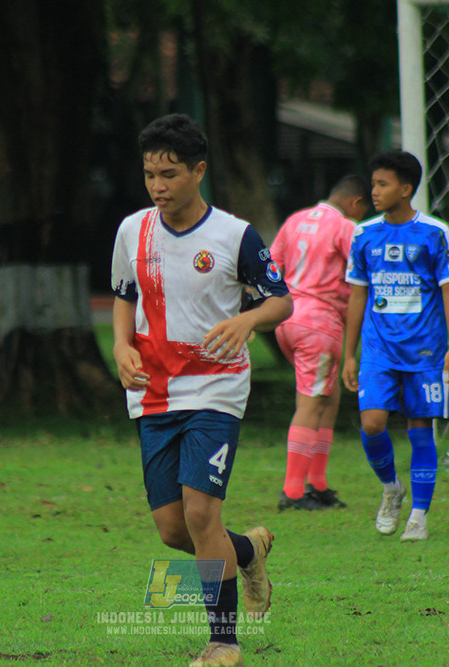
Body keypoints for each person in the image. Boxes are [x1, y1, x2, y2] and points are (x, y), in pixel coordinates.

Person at [111, 113, 293, 667]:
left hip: (216, 389)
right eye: (149, 175)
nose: (158, 186)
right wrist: (121, 347)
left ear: (198, 171)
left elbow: (280, 299)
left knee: (199, 517)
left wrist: (248, 321)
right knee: (172, 531)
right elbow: (123, 294)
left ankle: (223, 642)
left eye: (169, 174)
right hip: (154, 393)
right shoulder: (131, 231)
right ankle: (248, 549)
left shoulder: (233, 236)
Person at [341, 150, 449, 541]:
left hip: (425, 351)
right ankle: (392, 489)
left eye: (382, 184)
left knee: (419, 428)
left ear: (405, 189)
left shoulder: (435, 233)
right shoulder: (364, 234)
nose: (373, 191)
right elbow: (358, 295)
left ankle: (419, 516)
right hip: (378, 350)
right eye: (373, 183)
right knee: (371, 422)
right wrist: (349, 353)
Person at [270, 175, 369, 511]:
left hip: (287, 320)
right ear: (356, 203)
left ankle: (318, 484)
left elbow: (272, 267)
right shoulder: (345, 228)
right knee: (311, 403)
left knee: (328, 396)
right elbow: (360, 275)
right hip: (319, 324)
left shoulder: (295, 221)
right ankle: (294, 493)